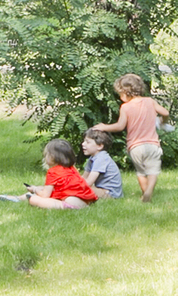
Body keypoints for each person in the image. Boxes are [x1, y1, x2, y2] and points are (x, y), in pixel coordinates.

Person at [93, 73, 169, 203]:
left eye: (120, 94)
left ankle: (145, 194)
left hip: (135, 147)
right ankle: (149, 191)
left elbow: (120, 126)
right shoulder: (149, 101)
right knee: (153, 171)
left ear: (126, 92)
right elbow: (165, 113)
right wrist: (162, 121)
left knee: (141, 172)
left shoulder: (126, 107)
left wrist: (104, 127)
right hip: (152, 144)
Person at [10, 138, 99, 210]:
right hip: (86, 199)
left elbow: (45, 195)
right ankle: (18, 198)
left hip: (71, 201)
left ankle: (66, 207)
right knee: (44, 190)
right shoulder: (72, 168)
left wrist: (35, 190)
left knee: (34, 199)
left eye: (46, 155)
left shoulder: (52, 172)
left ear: (52, 157)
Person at [82, 128, 124, 200]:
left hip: (111, 194)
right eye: (84, 141)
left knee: (82, 189)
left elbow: (88, 182)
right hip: (102, 190)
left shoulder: (101, 158)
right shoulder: (92, 158)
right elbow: (84, 178)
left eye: (87, 142)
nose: (83, 144)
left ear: (100, 146)